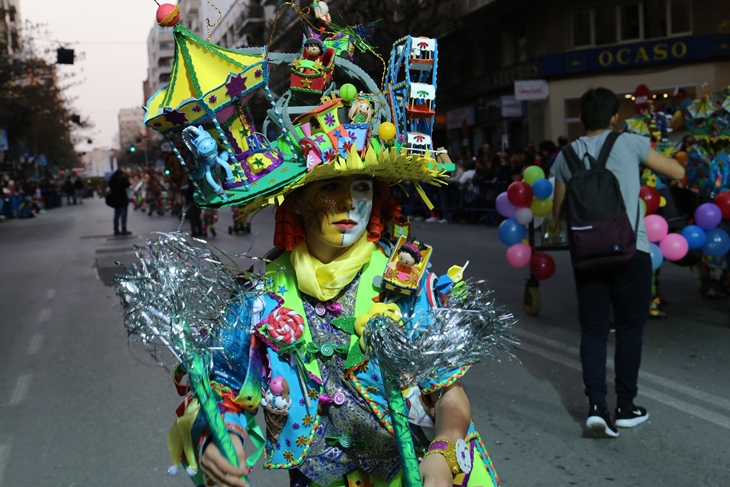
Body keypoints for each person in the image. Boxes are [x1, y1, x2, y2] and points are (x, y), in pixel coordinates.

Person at [551, 87, 684, 438]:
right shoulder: (630, 143)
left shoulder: (566, 156)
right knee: (628, 330)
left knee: (593, 330)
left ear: (582, 118)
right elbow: (677, 171)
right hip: (631, 251)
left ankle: (596, 407)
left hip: (587, 255)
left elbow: (558, 211)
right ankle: (626, 407)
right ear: (614, 117)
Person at [109, 169, 131, 236]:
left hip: (115, 201)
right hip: (122, 200)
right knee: (123, 216)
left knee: (116, 216)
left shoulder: (112, 180)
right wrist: (125, 177)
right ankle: (123, 229)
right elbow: (128, 184)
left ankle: (116, 229)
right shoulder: (122, 180)